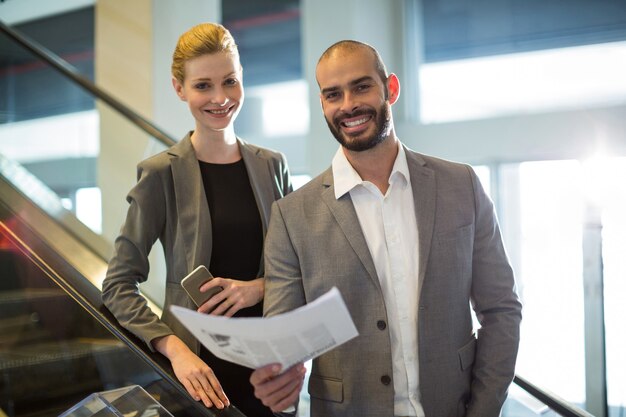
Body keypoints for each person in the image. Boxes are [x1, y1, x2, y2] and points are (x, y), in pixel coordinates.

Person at [249, 40, 522, 417]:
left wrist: (483, 409)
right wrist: (280, 380)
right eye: (333, 94)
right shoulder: (292, 216)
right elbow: (284, 342)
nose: (348, 105)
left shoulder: (461, 185)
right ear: (323, 104)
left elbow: (501, 309)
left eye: (361, 86)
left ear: (390, 88)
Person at [102, 22, 291, 417]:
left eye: (230, 82)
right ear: (179, 88)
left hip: (272, 370)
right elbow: (119, 285)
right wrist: (174, 349)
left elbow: (303, 267)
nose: (220, 98)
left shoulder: (272, 166)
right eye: (203, 85)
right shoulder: (160, 174)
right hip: (200, 374)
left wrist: (257, 288)